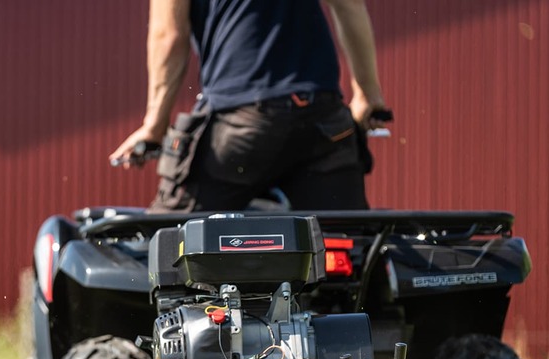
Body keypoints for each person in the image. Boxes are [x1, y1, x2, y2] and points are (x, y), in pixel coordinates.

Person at [109, 0, 390, 212]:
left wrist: (154, 126)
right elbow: (349, 6)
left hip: (242, 120)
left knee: (171, 243)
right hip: (325, 119)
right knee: (350, 248)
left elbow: (168, 36)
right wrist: (368, 94)